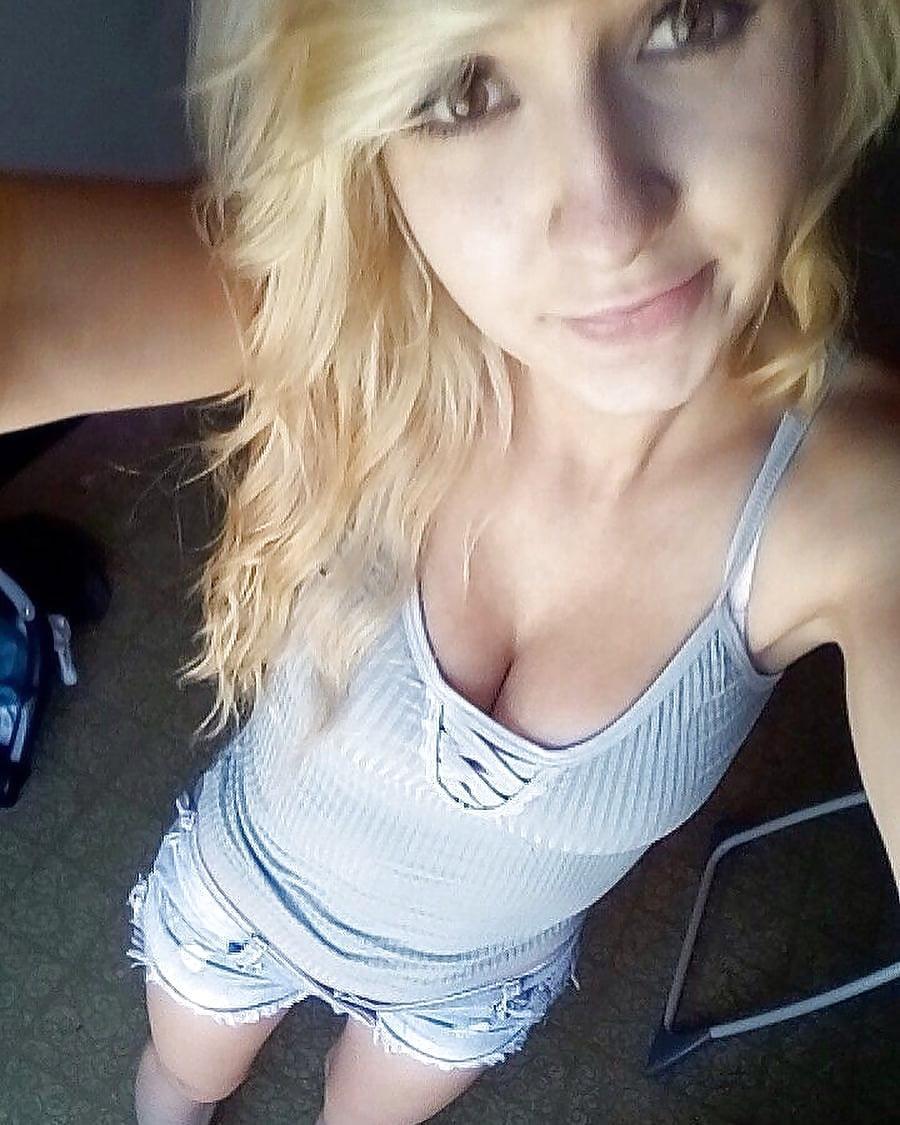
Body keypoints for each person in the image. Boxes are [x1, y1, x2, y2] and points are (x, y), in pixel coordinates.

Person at [3, 1, 900, 1122]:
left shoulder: (862, 506)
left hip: (459, 993)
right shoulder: (358, 310)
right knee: (181, 1084)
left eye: (690, 16)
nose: (610, 224)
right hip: (245, 896)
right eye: (458, 90)